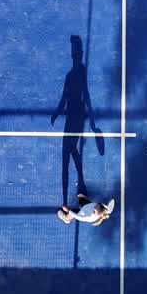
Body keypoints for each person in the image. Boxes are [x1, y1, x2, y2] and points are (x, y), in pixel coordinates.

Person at [51, 35, 100, 207]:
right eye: (75, 54)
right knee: (70, 150)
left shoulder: (78, 74)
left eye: (77, 53)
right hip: (72, 117)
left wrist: (92, 119)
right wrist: (58, 111)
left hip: (77, 116)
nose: (76, 57)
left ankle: (78, 188)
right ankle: (81, 184)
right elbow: (65, 97)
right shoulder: (69, 76)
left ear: (80, 54)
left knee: (69, 150)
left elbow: (86, 94)